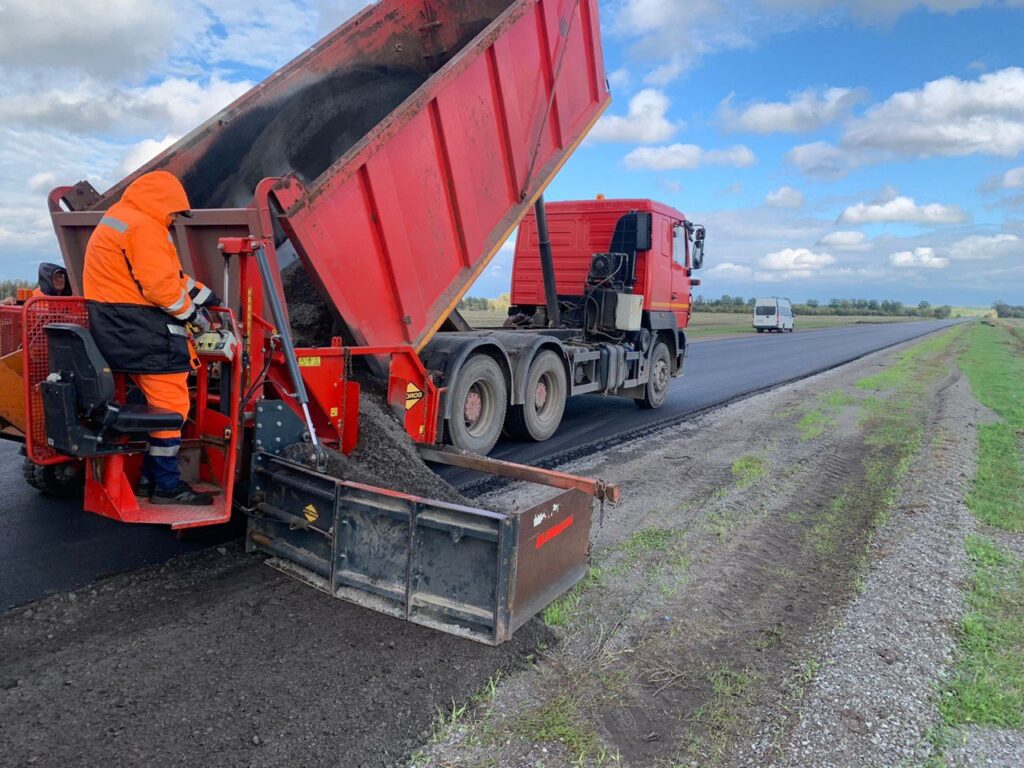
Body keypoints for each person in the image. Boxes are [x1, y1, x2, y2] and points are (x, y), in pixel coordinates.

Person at [83, 170, 221, 506]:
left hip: (118, 328)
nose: (174, 220)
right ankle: (167, 486)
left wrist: (210, 297)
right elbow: (161, 289)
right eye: (174, 212)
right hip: (140, 332)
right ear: (162, 203)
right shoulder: (145, 228)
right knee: (174, 409)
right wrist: (196, 317)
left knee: (158, 411)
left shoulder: (122, 219)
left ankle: (149, 477)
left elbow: (171, 277)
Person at [0, 262, 72, 304]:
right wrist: (7, 301)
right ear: (47, 280)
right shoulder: (34, 298)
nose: (60, 280)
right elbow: (20, 305)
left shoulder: (72, 297)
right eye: (55, 277)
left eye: (61, 276)